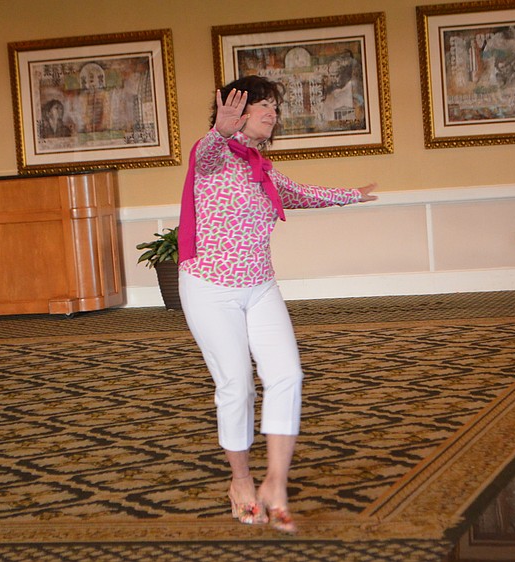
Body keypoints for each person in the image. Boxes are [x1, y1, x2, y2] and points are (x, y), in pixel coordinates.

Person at [177, 75, 376, 533]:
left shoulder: (260, 168)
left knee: (287, 374)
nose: (272, 113)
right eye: (262, 104)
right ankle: (242, 481)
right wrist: (220, 132)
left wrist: (352, 196)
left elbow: (302, 194)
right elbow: (203, 153)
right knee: (237, 386)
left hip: (259, 287)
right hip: (210, 288)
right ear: (235, 111)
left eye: (275, 107)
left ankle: (276, 484)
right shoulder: (212, 158)